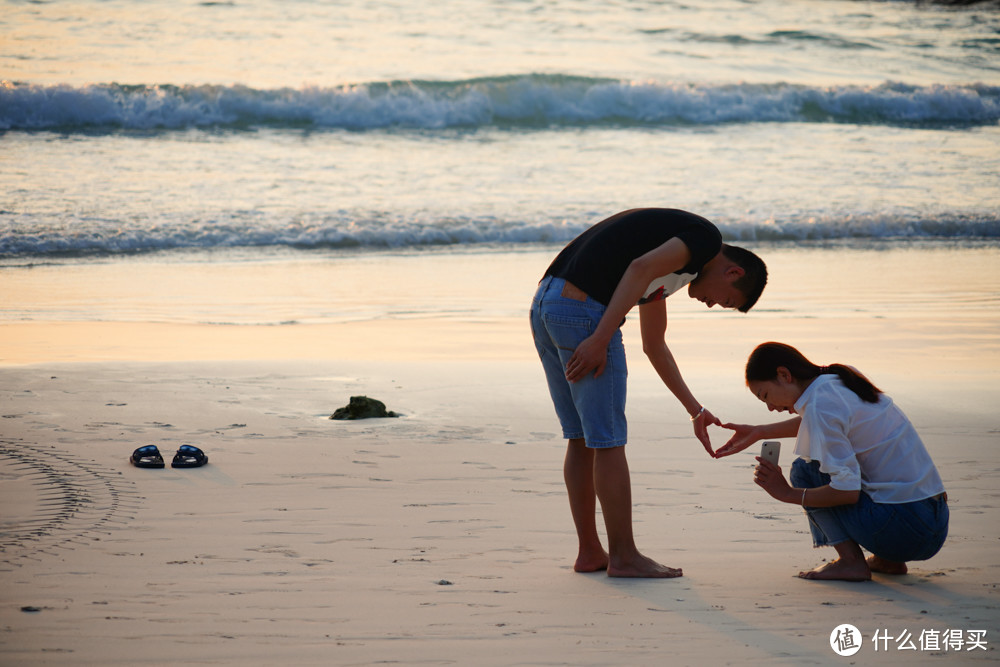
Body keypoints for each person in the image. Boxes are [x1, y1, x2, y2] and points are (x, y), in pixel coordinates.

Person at [529, 208, 768, 578]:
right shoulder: (705, 238)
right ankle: (623, 556)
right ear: (733, 272)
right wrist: (601, 337)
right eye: (726, 301)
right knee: (606, 441)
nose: (712, 305)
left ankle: (591, 552)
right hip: (583, 312)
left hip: (548, 304)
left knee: (581, 438)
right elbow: (639, 267)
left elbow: (655, 346)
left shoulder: (669, 267)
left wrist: (695, 410)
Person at [716, 342, 949, 581]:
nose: (771, 408)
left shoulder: (820, 406)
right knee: (860, 473)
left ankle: (851, 563)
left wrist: (785, 493)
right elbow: (824, 423)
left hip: (905, 532)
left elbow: (846, 491)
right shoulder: (840, 377)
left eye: (766, 396)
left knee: (804, 470)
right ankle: (888, 561)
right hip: (936, 522)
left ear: (784, 375)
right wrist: (760, 432)